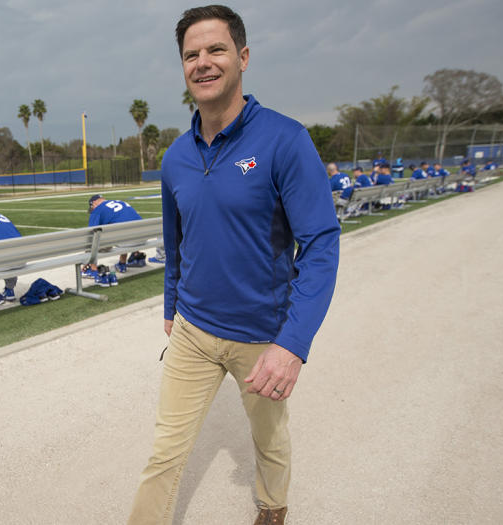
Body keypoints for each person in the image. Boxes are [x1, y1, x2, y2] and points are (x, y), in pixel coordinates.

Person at [128, 6, 340, 525]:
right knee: (165, 453)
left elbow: (321, 244)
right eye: (191, 55)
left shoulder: (285, 139)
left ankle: (272, 509)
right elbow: (177, 243)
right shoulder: (176, 157)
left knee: (269, 442)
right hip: (193, 332)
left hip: (262, 336)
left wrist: (292, 344)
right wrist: (171, 307)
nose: (203, 62)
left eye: (215, 50)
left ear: (242, 57)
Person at [88, 194, 144, 276]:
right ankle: (122, 263)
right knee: (124, 232)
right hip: (143, 238)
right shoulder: (121, 202)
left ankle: (92, 269)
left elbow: (91, 233)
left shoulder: (98, 209)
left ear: (93, 203)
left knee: (92, 241)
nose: (92, 210)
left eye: (92, 208)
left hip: (127, 241)